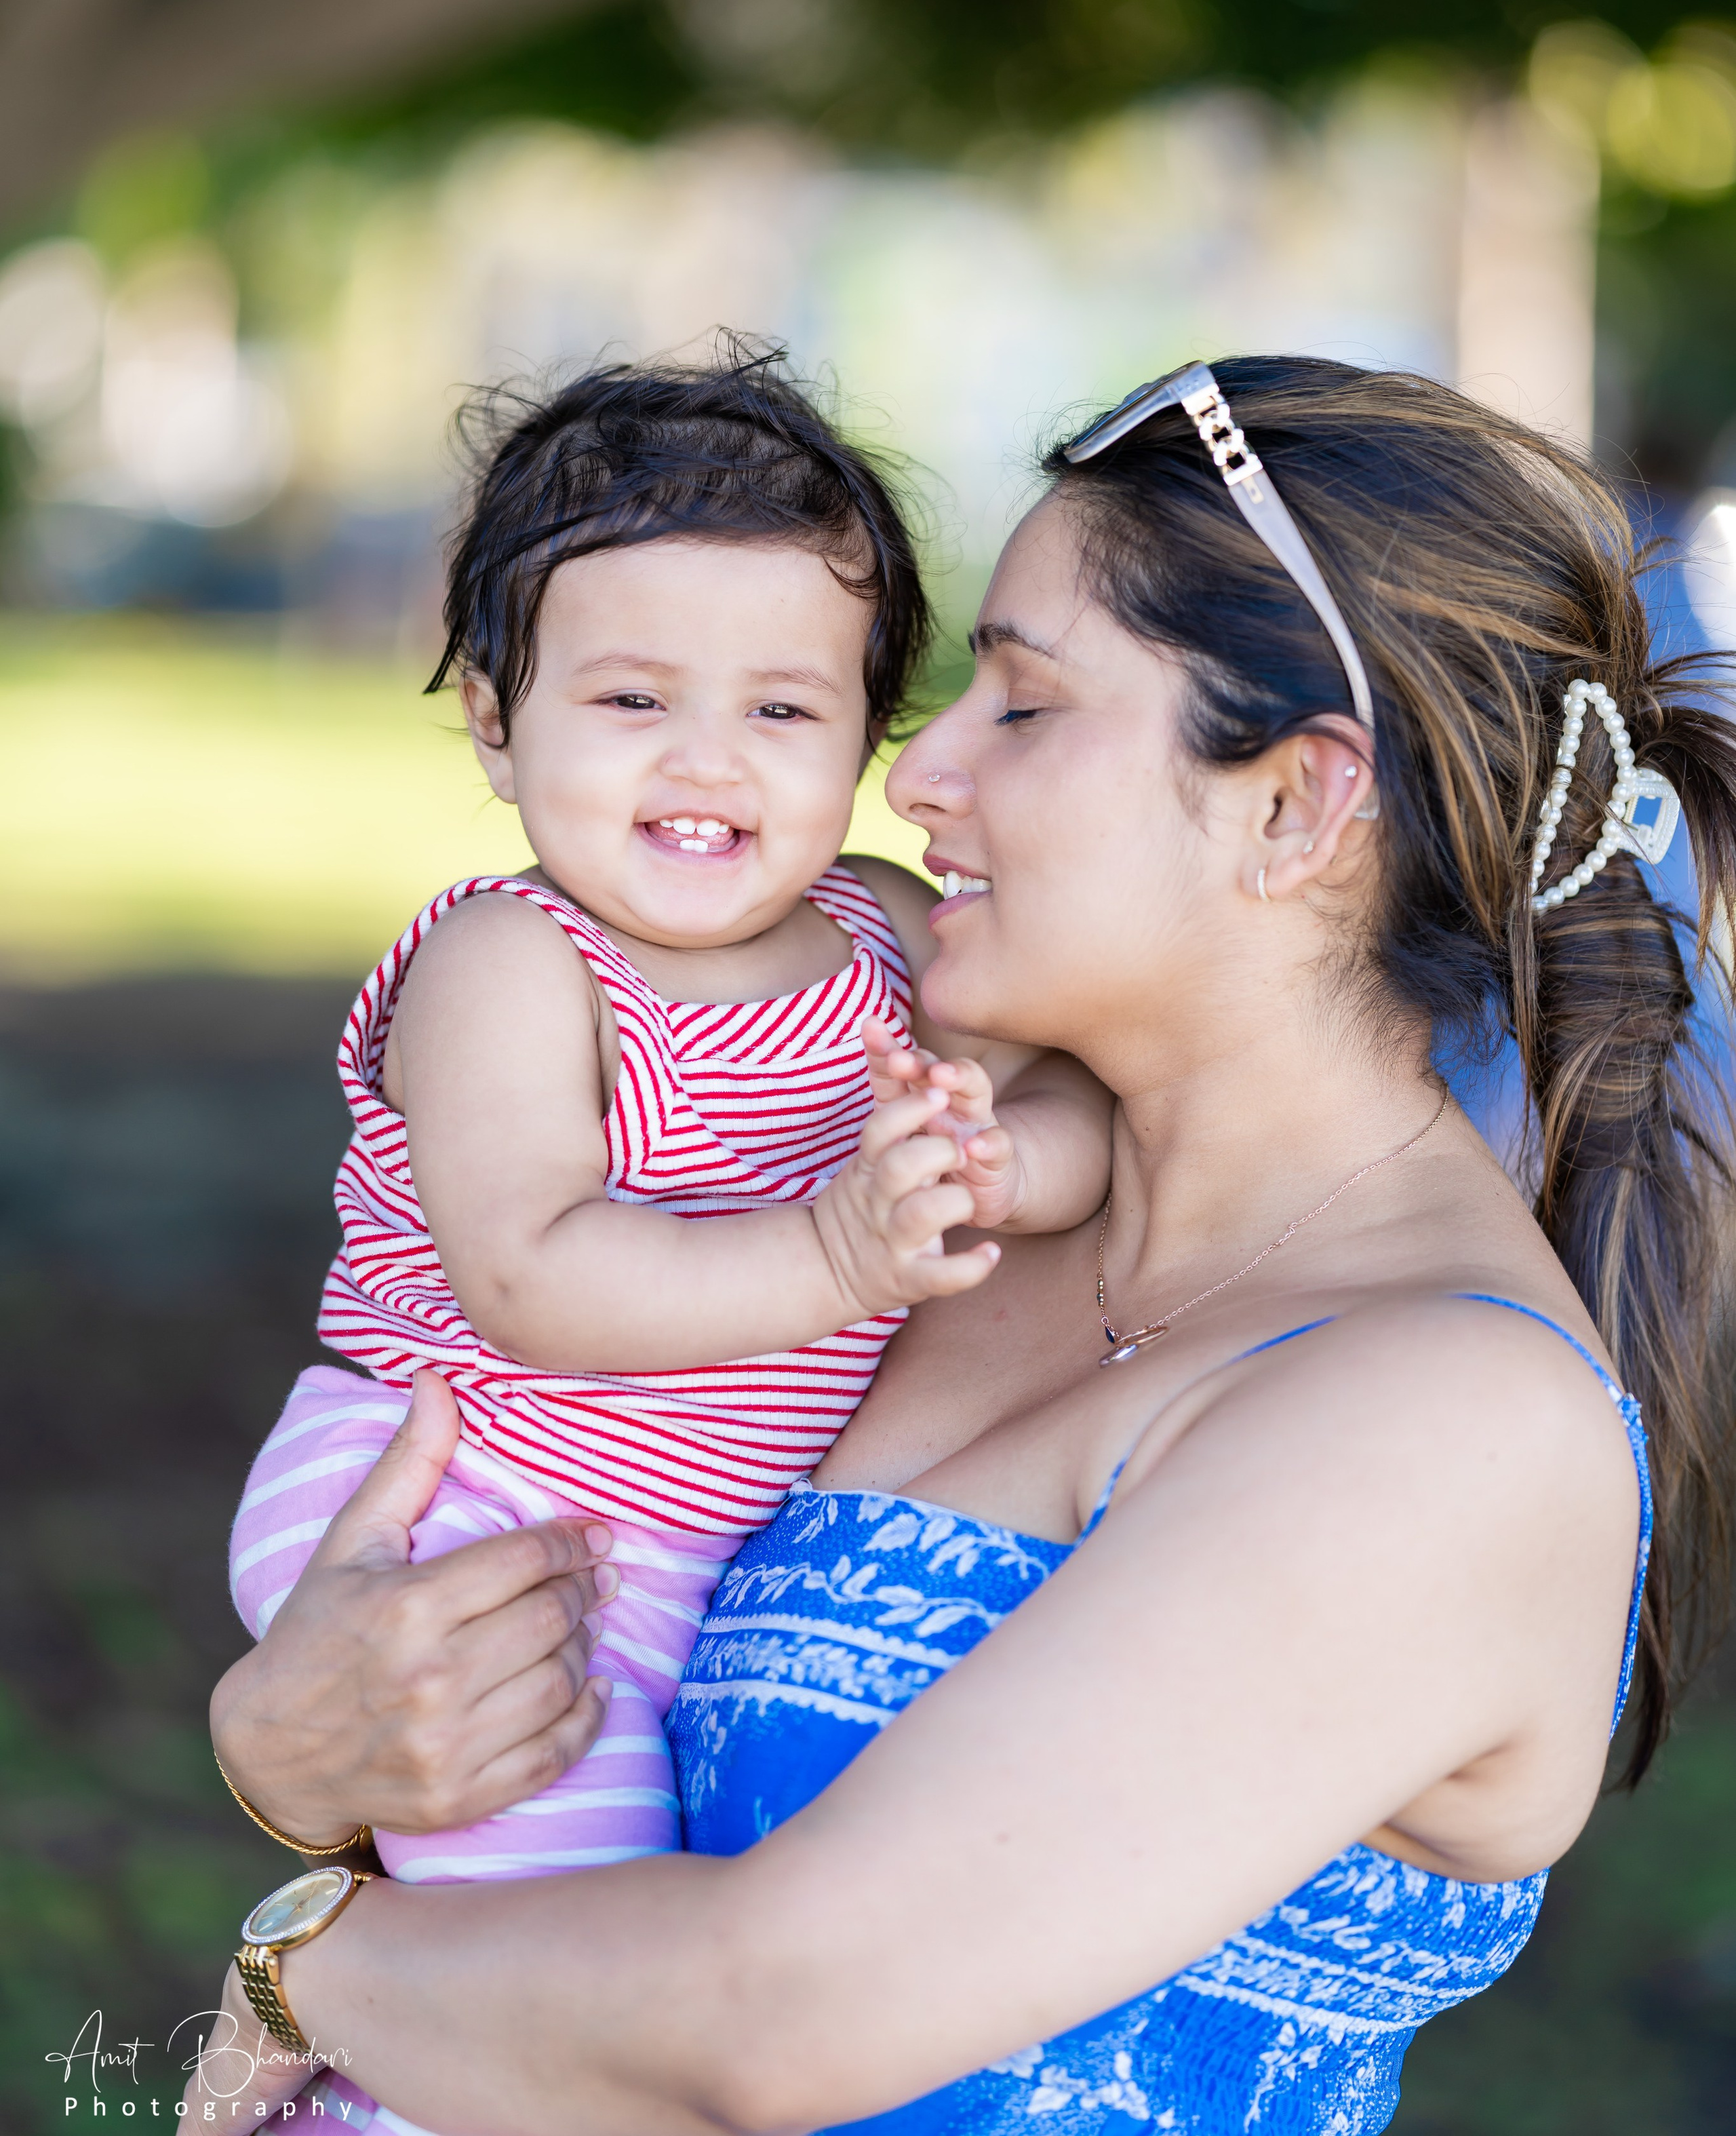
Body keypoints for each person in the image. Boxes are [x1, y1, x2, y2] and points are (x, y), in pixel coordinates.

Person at [199, 355, 1736, 2136]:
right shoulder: (938, 1217)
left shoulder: (1453, 1424)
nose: (909, 773)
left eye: (1018, 705)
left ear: (1296, 809)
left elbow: (764, 2025)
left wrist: (303, 1954)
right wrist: (295, 1757)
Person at [218, 350, 1110, 2121]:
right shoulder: (513, 965)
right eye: (633, 700)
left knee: (655, 1920)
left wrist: (1002, 1167)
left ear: (868, 732)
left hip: (677, 1544)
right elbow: (534, 1272)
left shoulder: (886, 933)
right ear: (494, 716)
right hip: (478, 1510)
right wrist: (845, 1255)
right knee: (569, 1952)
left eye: (785, 712)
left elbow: (1073, 1110)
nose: (710, 761)